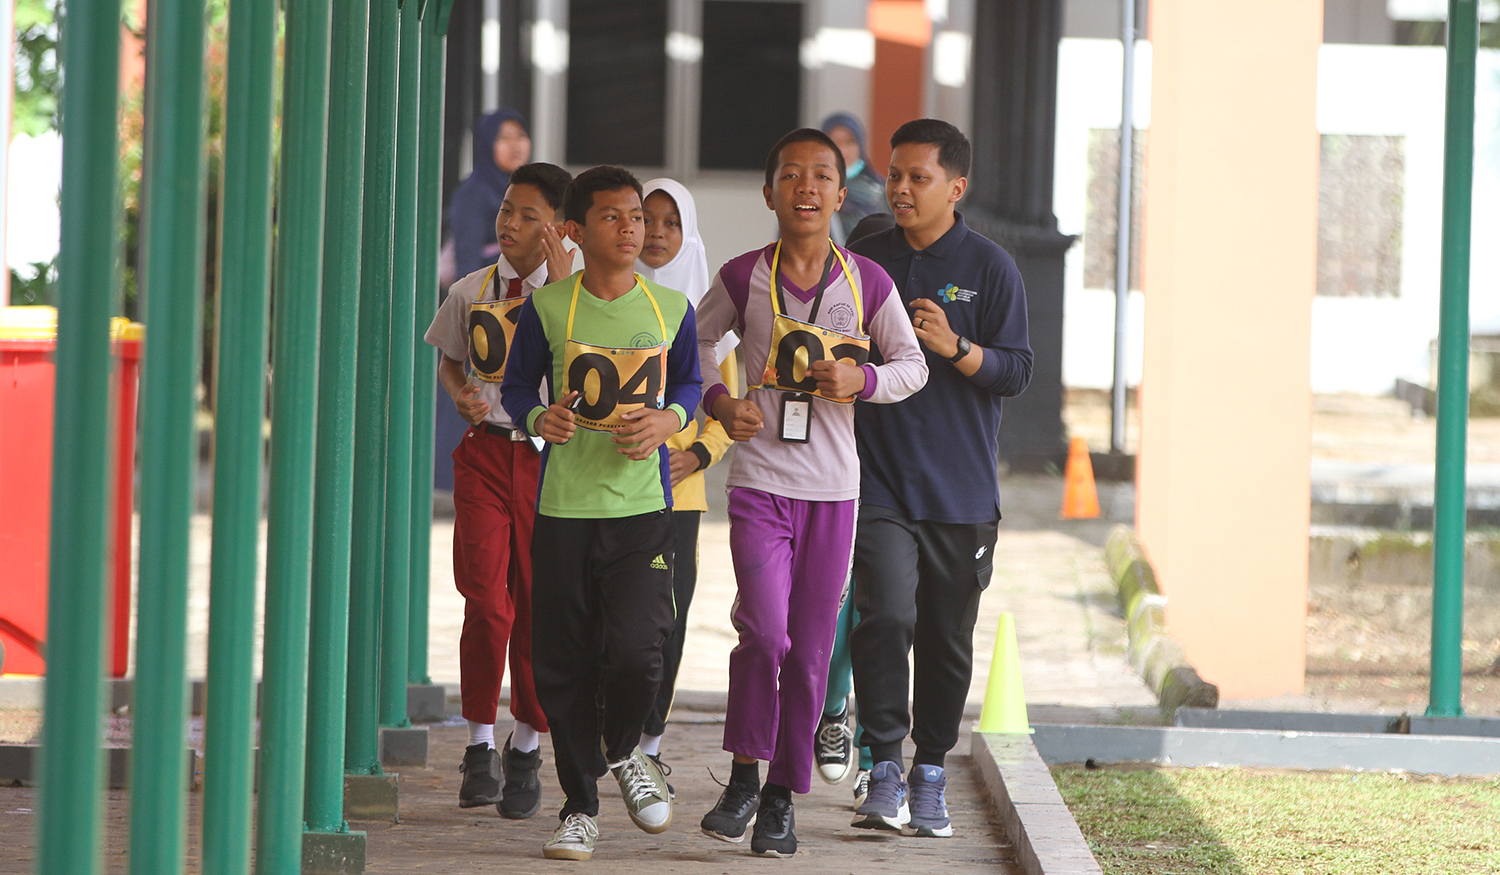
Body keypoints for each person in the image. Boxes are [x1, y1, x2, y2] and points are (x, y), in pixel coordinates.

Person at [694, 128, 928, 857]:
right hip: (760, 483)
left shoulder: (867, 283)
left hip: (833, 492)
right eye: (790, 174)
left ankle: (779, 796)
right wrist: (719, 403)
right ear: (769, 193)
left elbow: (912, 365)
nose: (806, 187)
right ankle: (740, 772)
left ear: (840, 191)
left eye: (821, 175)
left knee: (810, 654)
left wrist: (864, 379)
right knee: (763, 632)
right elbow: (694, 347)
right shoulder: (742, 277)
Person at [500, 165, 702, 861]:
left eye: (637, 216)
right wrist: (536, 416)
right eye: (613, 217)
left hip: (643, 510)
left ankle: (624, 753)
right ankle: (580, 804)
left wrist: (669, 420)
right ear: (576, 232)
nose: (630, 228)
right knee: (561, 663)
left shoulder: (670, 307)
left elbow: (691, 382)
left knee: (640, 650)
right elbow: (518, 381)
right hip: (562, 511)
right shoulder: (550, 306)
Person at [847, 119, 1033, 838]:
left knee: (946, 635)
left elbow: (1015, 371)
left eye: (916, 178)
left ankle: (930, 769)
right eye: (894, 175)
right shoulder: (866, 251)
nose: (899, 188)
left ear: (955, 187)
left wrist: (955, 347)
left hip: (960, 490)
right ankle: (884, 764)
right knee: (885, 614)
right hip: (878, 480)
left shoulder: (991, 267)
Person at [424, 162, 574, 819]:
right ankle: (479, 742)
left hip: (551, 466)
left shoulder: (576, 297)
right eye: (506, 209)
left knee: (540, 607)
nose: (509, 223)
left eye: (527, 215)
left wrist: (569, 292)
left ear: (558, 230)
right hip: (486, 459)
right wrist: (459, 392)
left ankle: (526, 745)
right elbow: (450, 356)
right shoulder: (470, 290)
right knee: (487, 599)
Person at [634, 178, 739, 779]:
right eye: (646, 219)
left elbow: (730, 408)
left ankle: (648, 745)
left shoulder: (709, 321)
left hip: (680, 492)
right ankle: (611, 725)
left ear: (688, 233)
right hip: (607, 485)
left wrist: (698, 454)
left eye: (671, 223)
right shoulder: (605, 300)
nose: (656, 234)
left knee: (666, 616)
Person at [812, 212, 895, 806]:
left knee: (885, 615)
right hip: (833, 476)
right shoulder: (827, 308)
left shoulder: (904, 319)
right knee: (839, 605)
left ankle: (874, 753)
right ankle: (834, 706)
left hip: (894, 485)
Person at [437, 109, 535, 493]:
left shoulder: (529, 189)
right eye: (504, 137)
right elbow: (466, 258)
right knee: (471, 388)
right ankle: (449, 478)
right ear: (485, 144)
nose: (515, 145)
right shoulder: (474, 192)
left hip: (521, 306)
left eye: (520, 135)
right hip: (486, 308)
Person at [821, 112, 887, 244]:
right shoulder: (810, 190)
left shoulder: (880, 192)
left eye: (850, 142)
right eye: (835, 142)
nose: (843, 150)